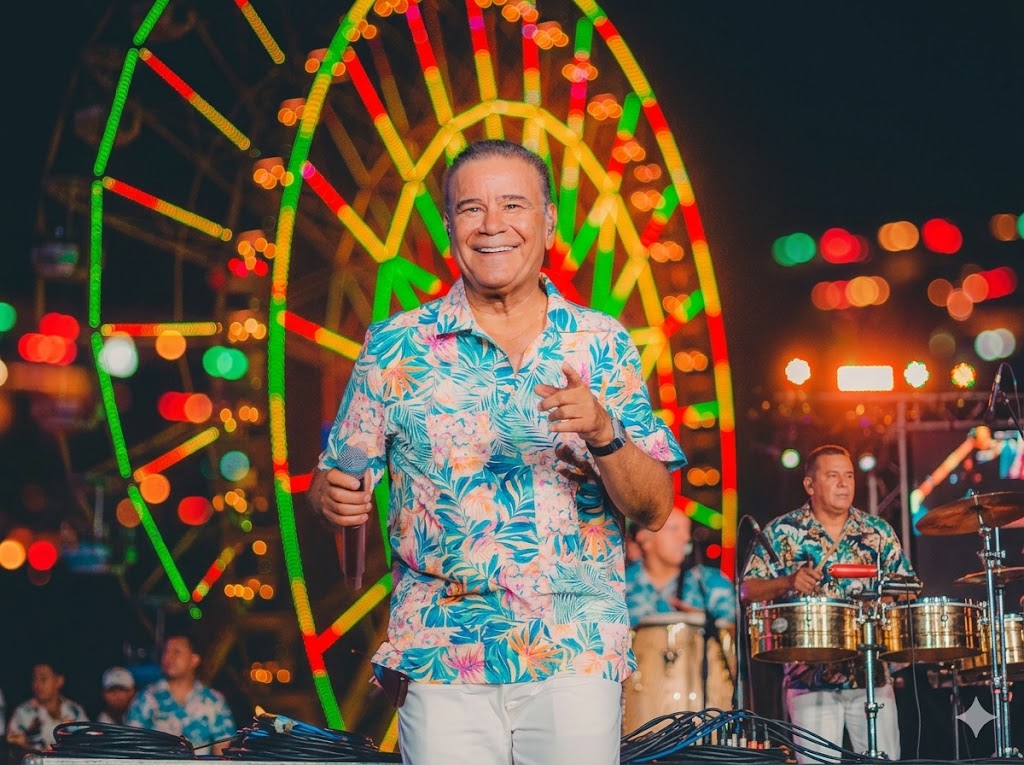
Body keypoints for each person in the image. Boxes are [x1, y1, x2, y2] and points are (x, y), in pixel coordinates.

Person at [309, 138, 687, 765]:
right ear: (449, 226)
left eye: (513, 205)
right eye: (469, 209)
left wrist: (603, 431)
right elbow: (335, 482)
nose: (492, 225)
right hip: (439, 651)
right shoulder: (395, 347)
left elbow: (652, 509)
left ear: (548, 222)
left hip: (575, 650)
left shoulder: (601, 343)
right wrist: (330, 495)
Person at [740, 444, 915, 762]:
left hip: (871, 675)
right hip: (810, 678)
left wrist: (886, 597)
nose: (844, 483)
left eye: (848, 476)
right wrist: (788, 581)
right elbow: (747, 589)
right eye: (833, 476)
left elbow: (907, 586)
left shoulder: (876, 532)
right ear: (810, 484)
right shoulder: (784, 532)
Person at [125, 631, 235, 755]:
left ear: (194, 659)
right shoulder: (146, 697)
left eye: (176, 652)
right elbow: (131, 745)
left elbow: (223, 749)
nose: (168, 657)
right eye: (166, 651)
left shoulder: (214, 701)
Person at [625, 507, 736, 628]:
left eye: (687, 530)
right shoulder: (620, 584)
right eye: (674, 528)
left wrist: (704, 623)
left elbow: (732, 634)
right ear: (644, 537)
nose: (685, 538)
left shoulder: (712, 583)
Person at [5, 660, 88, 752]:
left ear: (59, 681)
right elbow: (12, 748)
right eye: (34, 679)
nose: (37, 685)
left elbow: (88, 742)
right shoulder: (23, 712)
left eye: (43, 679)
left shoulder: (74, 710)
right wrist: (23, 746)